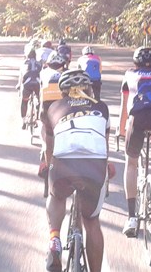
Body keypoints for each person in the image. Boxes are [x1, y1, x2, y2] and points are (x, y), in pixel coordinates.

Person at [40, 69, 114, 272]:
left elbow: (49, 148)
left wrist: (50, 172)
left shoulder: (53, 108)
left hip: (62, 164)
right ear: (88, 88)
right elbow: (103, 145)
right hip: (94, 165)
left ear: (63, 92)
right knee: (91, 221)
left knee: (56, 196)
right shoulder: (102, 107)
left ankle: (54, 238)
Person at [119, 46, 151, 237]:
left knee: (131, 164)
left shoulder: (129, 75)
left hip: (137, 117)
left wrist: (121, 131)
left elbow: (125, 106)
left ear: (135, 62)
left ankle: (132, 217)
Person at [18, 48, 42, 129]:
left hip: (27, 85)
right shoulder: (39, 63)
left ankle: (24, 121)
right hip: (37, 84)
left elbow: (21, 77)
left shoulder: (24, 63)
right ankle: (37, 117)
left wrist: (19, 85)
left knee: (24, 101)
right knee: (39, 99)